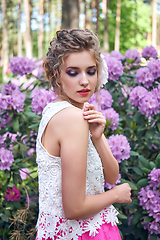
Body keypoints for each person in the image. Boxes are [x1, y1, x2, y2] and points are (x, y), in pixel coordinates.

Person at [35, 29, 132, 240]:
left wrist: (98, 137)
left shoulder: (59, 111)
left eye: (91, 71)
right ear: (56, 74)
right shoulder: (72, 118)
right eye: (73, 72)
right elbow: (74, 208)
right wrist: (115, 195)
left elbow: (111, 176)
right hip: (83, 233)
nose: (85, 81)